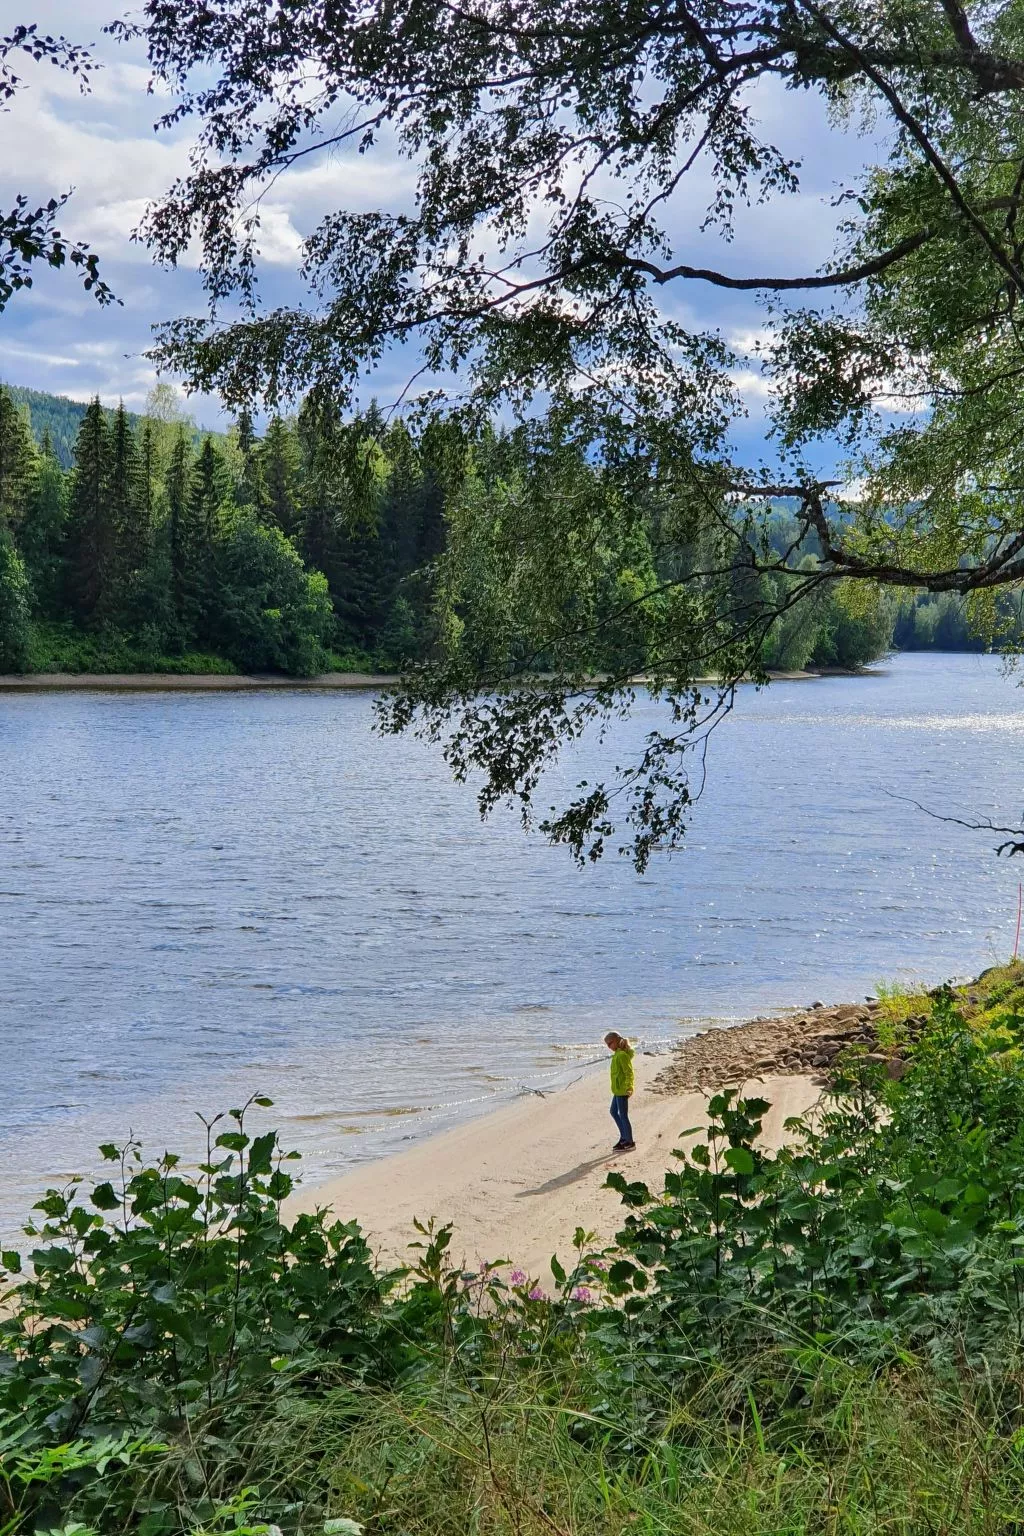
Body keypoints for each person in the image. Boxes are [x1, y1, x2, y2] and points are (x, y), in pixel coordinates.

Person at [604, 1031, 635, 1151]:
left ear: (616, 1041)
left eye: (610, 1043)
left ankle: (630, 1141)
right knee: (613, 1112)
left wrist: (629, 1087)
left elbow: (629, 1073)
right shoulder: (617, 1054)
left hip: (623, 1090)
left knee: (623, 1115)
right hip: (617, 1090)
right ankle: (624, 1137)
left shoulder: (622, 1055)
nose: (608, 1046)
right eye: (607, 1044)